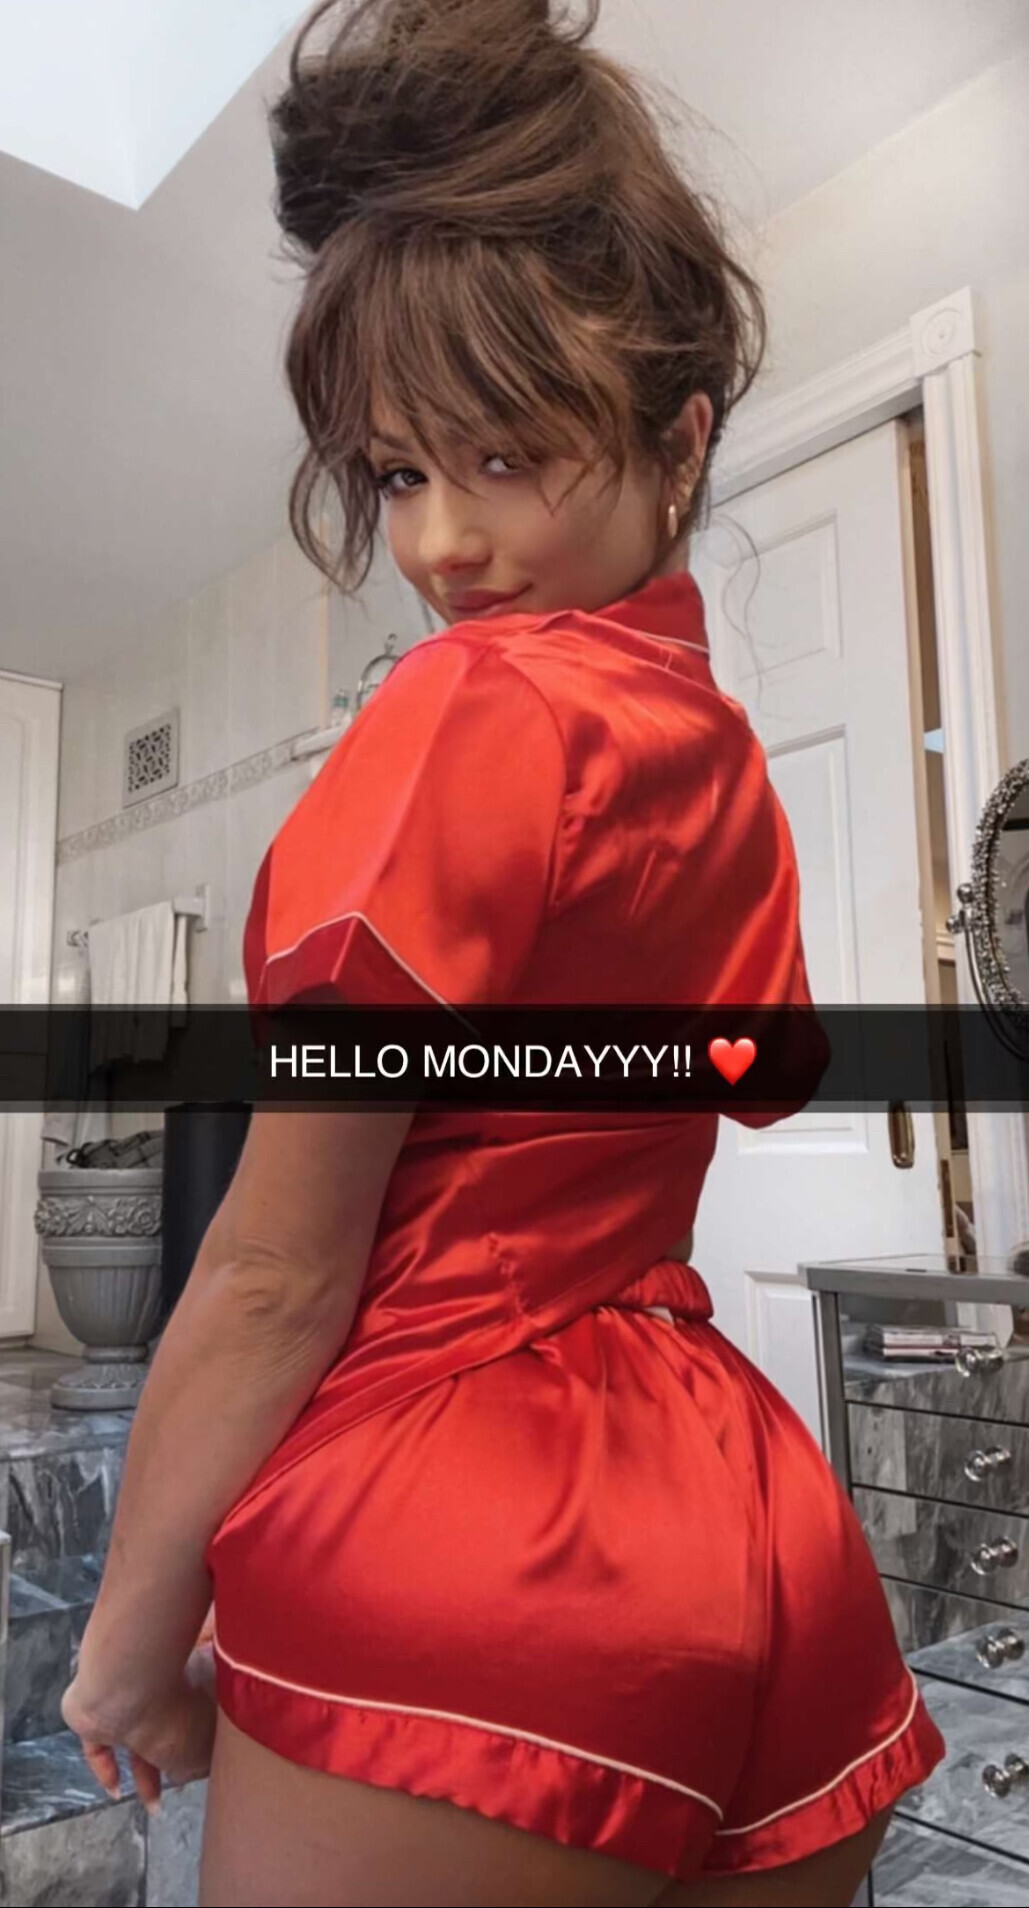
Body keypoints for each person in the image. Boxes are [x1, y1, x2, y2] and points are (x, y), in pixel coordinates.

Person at [61, 2, 945, 1903]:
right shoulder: (716, 762)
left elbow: (278, 1270)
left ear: (677, 436)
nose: (443, 546)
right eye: (397, 474)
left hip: (460, 1531)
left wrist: (127, 1640)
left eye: (505, 456)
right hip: (755, 1527)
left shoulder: (470, 709)